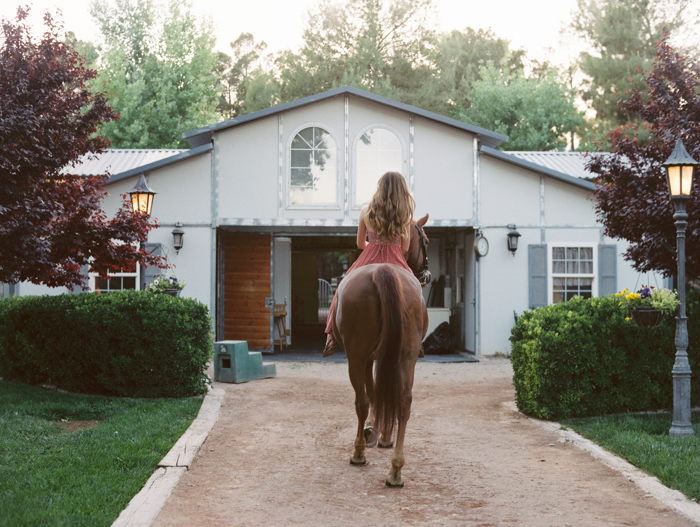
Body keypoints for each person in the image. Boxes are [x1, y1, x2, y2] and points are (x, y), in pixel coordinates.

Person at [323, 171, 416, 357]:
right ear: (402, 190)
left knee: (341, 290)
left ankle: (331, 336)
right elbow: (405, 248)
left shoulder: (366, 211)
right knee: (416, 292)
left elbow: (359, 244)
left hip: (370, 256)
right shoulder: (406, 214)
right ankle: (417, 338)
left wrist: (373, 245)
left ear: (379, 188)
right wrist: (391, 247)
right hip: (395, 257)